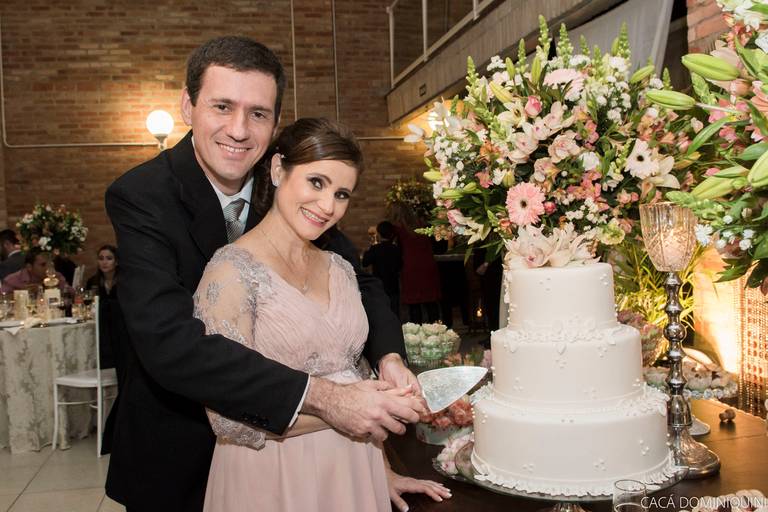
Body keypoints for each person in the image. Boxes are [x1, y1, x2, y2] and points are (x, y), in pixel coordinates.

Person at [104, 36, 424, 511]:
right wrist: (329, 399)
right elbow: (170, 344)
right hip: (178, 449)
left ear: (275, 124)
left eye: (257, 113)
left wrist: (390, 355)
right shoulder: (142, 195)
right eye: (222, 106)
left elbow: (357, 281)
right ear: (188, 106)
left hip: (306, 459)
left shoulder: (291, 185)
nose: (238, 130)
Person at [196, 118, 449, 511]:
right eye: (316, 182)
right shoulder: (230, 272)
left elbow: (351, 375)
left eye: (341, 193)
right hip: (276, 477)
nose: (328, 206)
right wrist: (341, 411)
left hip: (354, 469)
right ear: (278, 169)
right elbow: (225, 419)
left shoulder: (340, 268)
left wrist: (383, 471)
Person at [389, 203, 441, 324]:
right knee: (431, 302)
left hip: (411, 267)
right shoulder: (423, 225)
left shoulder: (398, 229)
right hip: (428, 265)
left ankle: (417, 331)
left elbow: (395, 250)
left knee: (414, 304)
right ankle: (437, 330)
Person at [362, 221, 401, 317]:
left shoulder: (375, 249)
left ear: (379, 234)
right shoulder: (396, 249)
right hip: (393, 286)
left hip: (379, 286)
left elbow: (364, 263)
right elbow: (400, 266)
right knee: (394, 313)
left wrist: (370, 248)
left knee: (381, 314)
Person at [0, 248, 70, 293]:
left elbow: (72, 295)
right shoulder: (12, 280)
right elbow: (3, 300)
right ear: (29, 267)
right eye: (43, 265)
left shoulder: (56, 277)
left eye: (50, 264)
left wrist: (58, 288)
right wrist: (24, 292)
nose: (48, 268)